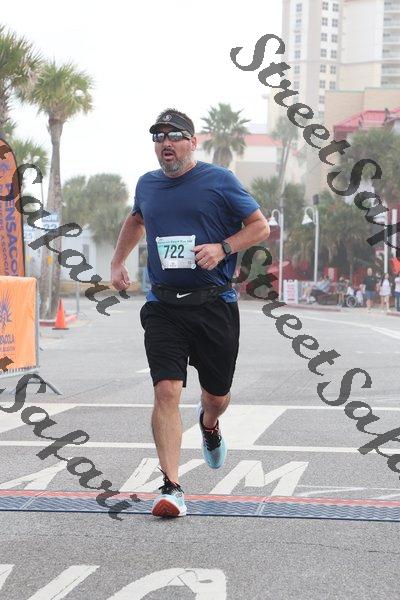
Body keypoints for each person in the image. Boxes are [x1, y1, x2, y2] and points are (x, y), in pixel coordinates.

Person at [110, 108, 269, 518]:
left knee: (217, 396)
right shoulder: (147, 184)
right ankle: (172, 487)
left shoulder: (219, 181)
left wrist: (223, 248)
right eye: (159, 137)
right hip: (164, 305)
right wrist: (117, 261)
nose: (166, 143)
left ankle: (210, 424)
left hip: (214, 305)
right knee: (166, 390)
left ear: (193, 142)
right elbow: (136, 220)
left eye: (174, 136)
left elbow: (260, 226)